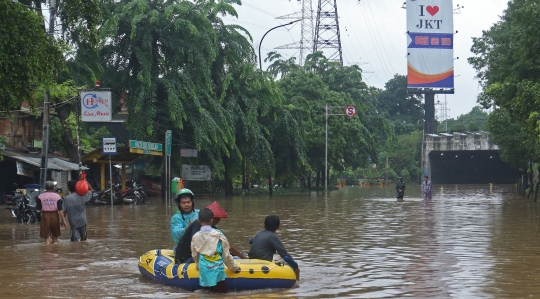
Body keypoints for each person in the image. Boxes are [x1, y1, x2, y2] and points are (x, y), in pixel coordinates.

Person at [175, 201, 247, 263]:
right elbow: (196, 246)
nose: (218, 222)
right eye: (217, 220)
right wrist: (241, 257)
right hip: (185, 258)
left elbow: (225, 244)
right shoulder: (197, 225)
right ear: (212, 219)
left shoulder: (211, 227)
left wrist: (240, 256)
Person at [191, 208, 240, 293]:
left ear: (198, 220)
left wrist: (197, 265)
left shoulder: (195, 236)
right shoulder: (218, 234)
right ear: (211, 221)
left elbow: (195, 254)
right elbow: (226, 255)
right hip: (218, 271)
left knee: (206, 294)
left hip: (205, 271)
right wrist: (234, 268)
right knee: (221, 295)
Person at [248, 214, 300, 280]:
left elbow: (250, 241)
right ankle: (297, 281)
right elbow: (285, 257)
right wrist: (296, 267)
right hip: (264, 261)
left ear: (264, 225)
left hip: (251, 259)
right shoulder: (274, 237)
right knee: (287, 264)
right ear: (278, 227)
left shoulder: (259, 233)